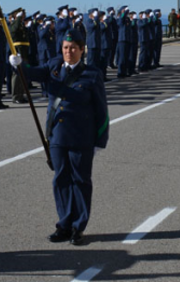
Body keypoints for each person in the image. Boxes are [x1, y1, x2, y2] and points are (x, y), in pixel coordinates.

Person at [9, 28, 109, 246]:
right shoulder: (54, 67)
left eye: (73, 48)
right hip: (57, 137)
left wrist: (100, 141)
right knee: (60, 179)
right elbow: (32, 73)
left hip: (82, 137)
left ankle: (78, 226)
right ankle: (64, 224)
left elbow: (102, 110)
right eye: (65, 47)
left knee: (81, 181)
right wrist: (18, 65)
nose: (68, 51)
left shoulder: (92, 74)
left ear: (82, 50)